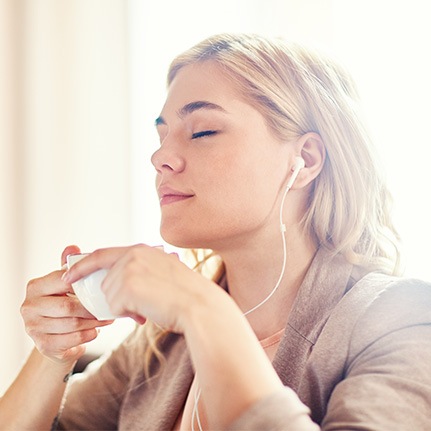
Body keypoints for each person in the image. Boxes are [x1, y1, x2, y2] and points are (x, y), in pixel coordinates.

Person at [1, 32, 430, 430]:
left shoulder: (406, 321)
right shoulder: (157, 345)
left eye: (203, 131)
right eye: (162, 134)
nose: (161, 157)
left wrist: (203, 309)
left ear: (307, 160)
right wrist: (54, 354)